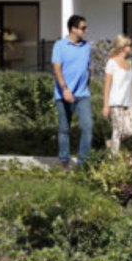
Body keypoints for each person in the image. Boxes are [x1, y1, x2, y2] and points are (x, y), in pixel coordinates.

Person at [51, 14, 93, 167]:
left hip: (82, 95)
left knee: (88, 127)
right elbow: (56, 69)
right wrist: (65, 89)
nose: (85, 31)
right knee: (64, 129)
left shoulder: (86, 46)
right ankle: (64, 162)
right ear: (73, 29)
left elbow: (88, 68)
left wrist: (87, 85)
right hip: (64, 94)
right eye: (83, 28)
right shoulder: (59, 45)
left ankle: (83, 164)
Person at [103, 34, 132, 155]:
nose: (131, 47)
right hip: (115, 102)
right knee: (117, 131)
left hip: (128, 102)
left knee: (130, 131)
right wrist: (106, 106)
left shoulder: (129, 63)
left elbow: (131, 83)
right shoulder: (111, 63)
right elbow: (107, 86)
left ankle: (111, 143)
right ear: (122, 46)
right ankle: (114, 159)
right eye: (129, 45)